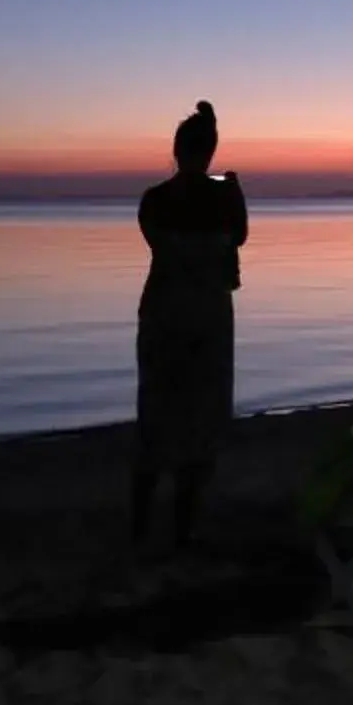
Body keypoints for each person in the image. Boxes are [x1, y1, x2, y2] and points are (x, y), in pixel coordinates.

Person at [130, 100, 248, 550]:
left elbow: (160, 241)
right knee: (201, 419)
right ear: (211, 150)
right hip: (208, 316)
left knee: (156, 415)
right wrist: (232, 191)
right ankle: (183, 528)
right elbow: (238, 236)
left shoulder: (154, 201)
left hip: (162, 311)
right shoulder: (223, 198)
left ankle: (140, 528)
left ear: (176, 150)